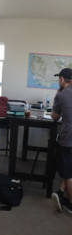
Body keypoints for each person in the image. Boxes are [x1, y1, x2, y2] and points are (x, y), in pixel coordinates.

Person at [51, 69, 72, 213]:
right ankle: (60, 192)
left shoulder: (61, 95)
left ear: (62, 79)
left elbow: (55, 117)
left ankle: (71, 203)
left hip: (69, 137)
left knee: (68, 173)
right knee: (69, 167)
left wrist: (56, 98)